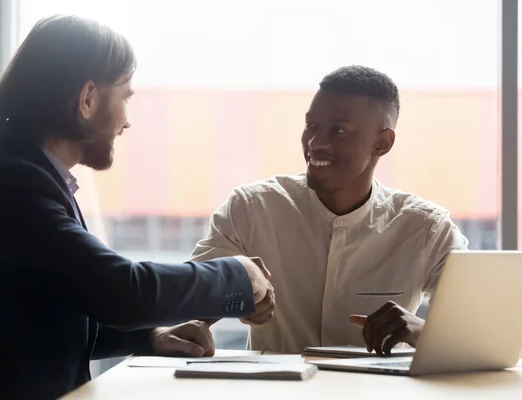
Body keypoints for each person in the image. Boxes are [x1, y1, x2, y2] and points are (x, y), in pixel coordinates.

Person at [0, 15, 274, 400]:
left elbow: (54, 308)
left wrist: (151, 337)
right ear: (87, 99)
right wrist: (238, 274)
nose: (127, 121)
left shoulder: (16, 172)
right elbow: (122, 291)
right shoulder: (12, 183)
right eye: (126, 96)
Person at [190, 65, 468, 355]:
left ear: (382, 143)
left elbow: (477, 338)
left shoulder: (427, 229)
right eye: (311, 126)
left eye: (339, 130)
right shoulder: (250, 209)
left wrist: (422, 332)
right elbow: (186, 305)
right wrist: (227, 300)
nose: (315, 143)